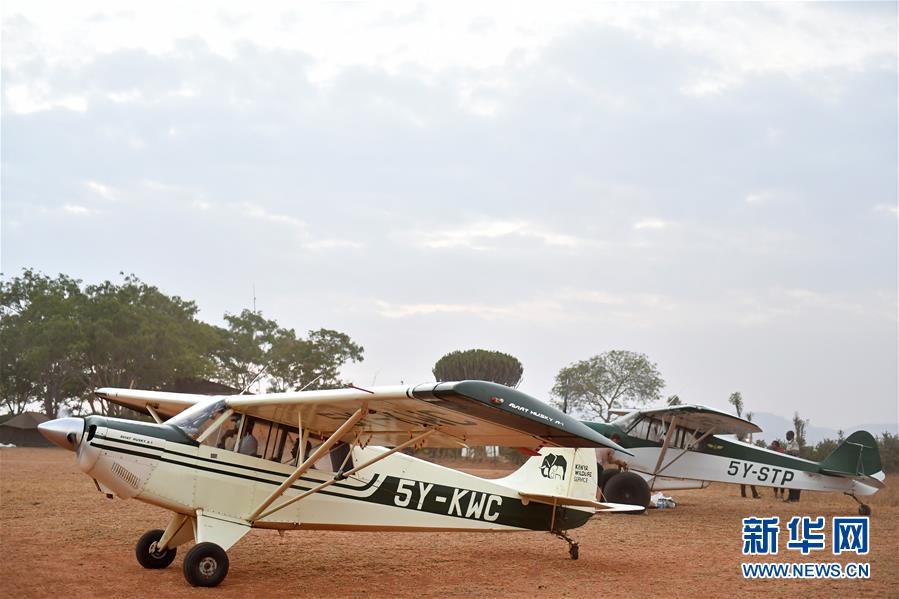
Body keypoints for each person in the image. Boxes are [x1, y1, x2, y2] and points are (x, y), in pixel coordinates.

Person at [784, 430, 801, 503]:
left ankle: (795, 498)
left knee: (795, 483)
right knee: (790, 482)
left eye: (787, 435)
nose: (786, 437)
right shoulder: (789, 443)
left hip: (795, 465)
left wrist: (786, 452)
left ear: (791, 436)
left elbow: (795, 452)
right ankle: (790, 497)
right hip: (790, 465)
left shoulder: (795, 443)